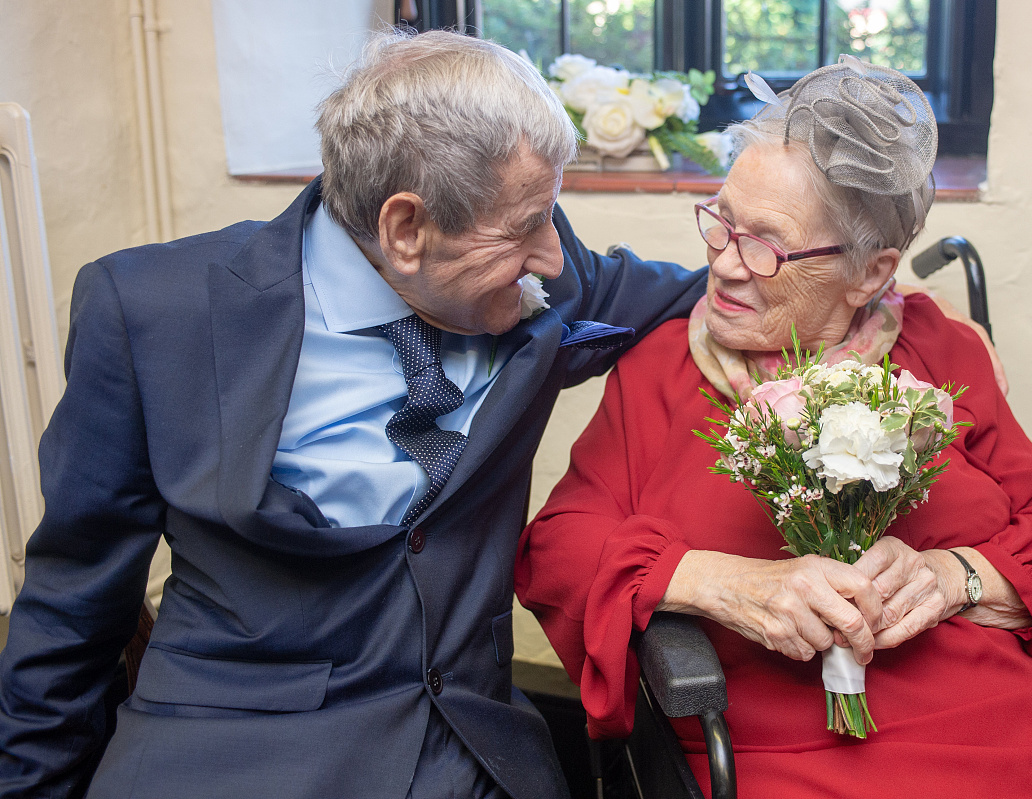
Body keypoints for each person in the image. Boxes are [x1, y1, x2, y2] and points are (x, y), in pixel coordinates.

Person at [0, 30, 711, 799]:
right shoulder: (152, 314)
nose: (550, 255)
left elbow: (710, 292)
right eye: (525, 226)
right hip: (227, 753)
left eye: (551, 213)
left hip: (470, 753)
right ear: (406, 230)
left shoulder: (534, 268)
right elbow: (72, 609)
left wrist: (855, 303)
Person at [516, 57, 1032, 798]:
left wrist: (951, 576)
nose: (724, 265)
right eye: (720, 222)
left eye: (765, 245)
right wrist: (727, 583)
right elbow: (560, 548)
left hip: (1030, 747)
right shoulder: (664, 368)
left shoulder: (941, 355)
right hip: (783, 762)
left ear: (870, 273)